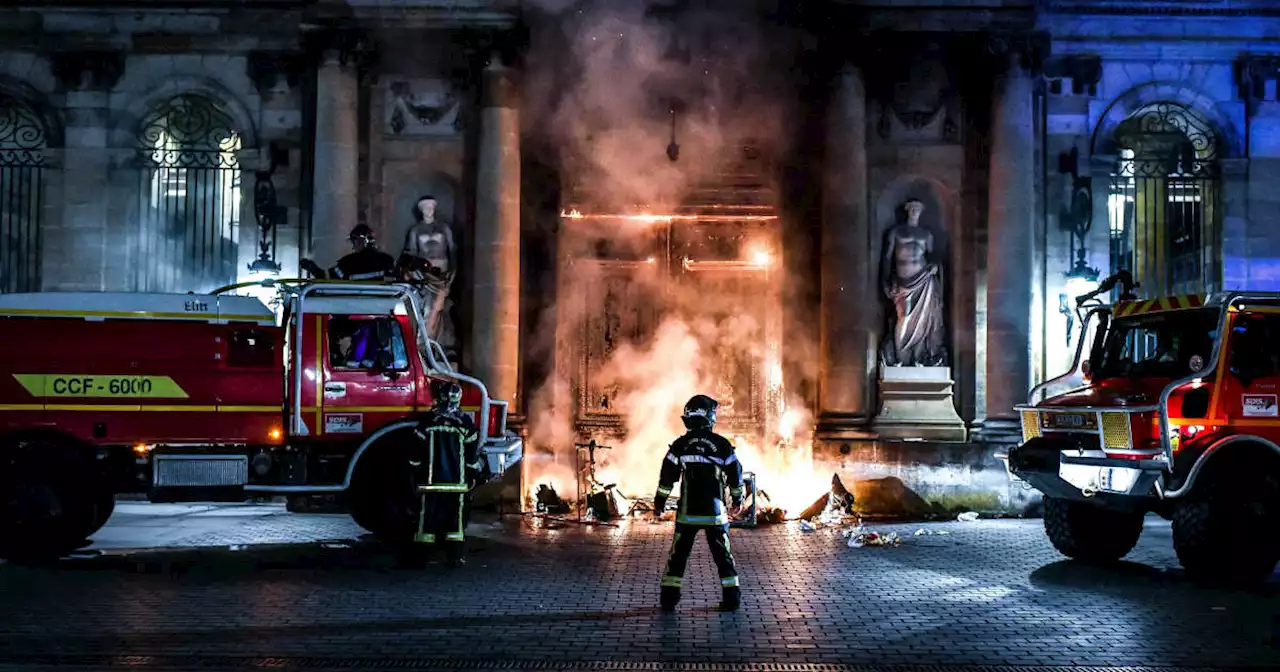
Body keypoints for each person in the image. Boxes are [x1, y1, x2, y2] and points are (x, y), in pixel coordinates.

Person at [653, 394, 745, 612]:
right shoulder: (721, 445)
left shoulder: (680, 445)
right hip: (715, 514)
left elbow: (667, 478)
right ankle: (732, 599)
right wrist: (738, 500)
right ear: (710, 417)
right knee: (723, 557)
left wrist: (659, 503)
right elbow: (736, 474)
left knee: (678, 556)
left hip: (688, 513)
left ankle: (669, 599)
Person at [410, 379, 484, 566]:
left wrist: (415, 472)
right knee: (455, 523)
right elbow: (472, 454)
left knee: (427, 519)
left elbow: (416, 452)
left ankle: (421, 558)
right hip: (456, 483)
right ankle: (454, 558)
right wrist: (472, 475)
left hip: (431, 481)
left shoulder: (427, 421)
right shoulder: (465, 423)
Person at [300, 224, 396, 281]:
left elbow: (327, 277)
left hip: (350, 307)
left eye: (354, 242)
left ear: (361, 241)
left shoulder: (348, 262)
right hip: (385, 307)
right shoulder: (388, 260)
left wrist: (311, 267)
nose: (353, 246)